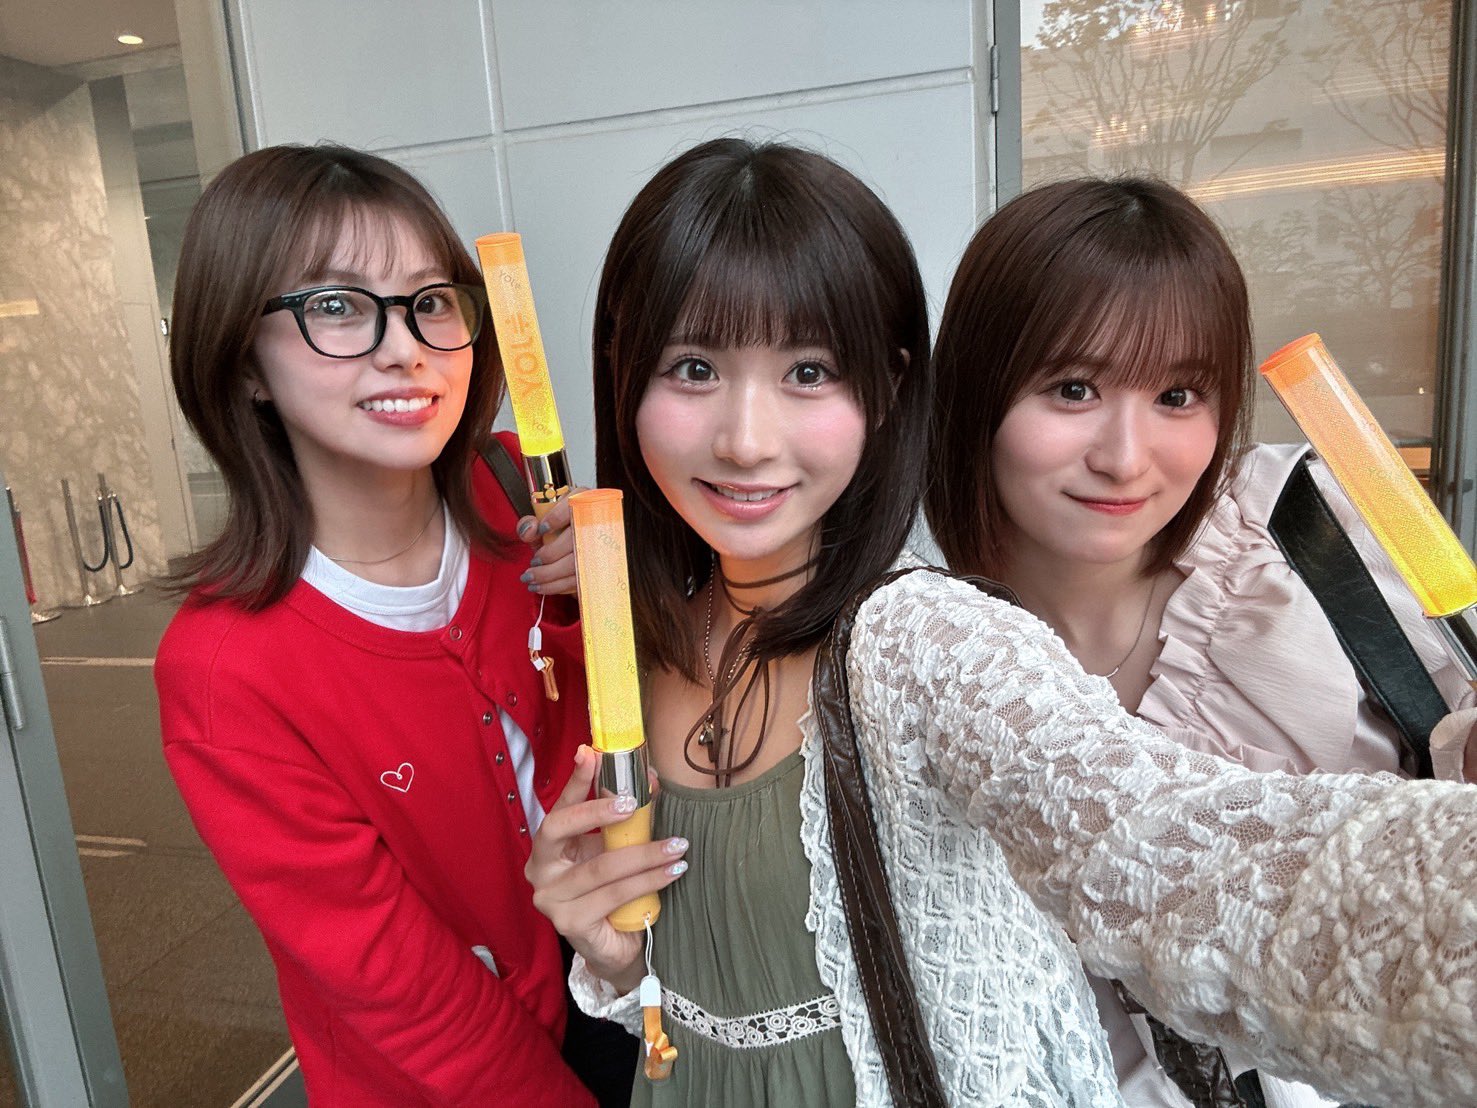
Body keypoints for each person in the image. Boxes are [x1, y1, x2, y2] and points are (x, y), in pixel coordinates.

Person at [523, 137, 1477, 1108]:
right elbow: (694, 1000)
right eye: (693, 367)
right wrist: (614, 955)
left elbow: (1163, 847)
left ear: (889, 389)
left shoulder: (925, 639)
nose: (745, 439)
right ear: (622, 374)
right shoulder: (641, 642)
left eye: (808, 372)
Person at [927, 175, 1477, 1108]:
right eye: (1072, 389)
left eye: (1176, 395)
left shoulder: (1305, 536)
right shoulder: (920, 648)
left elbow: (1447, 731)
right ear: (975, 392)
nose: (1124, 457)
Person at [154, 144, 632, 1107]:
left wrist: (617, 600)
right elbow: (398, 988)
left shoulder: (515, 491)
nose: (405, 347)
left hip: (623, 991)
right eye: (335, 305)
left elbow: (621, 734)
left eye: (430, 300)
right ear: (242, 362)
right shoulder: (224, 670)